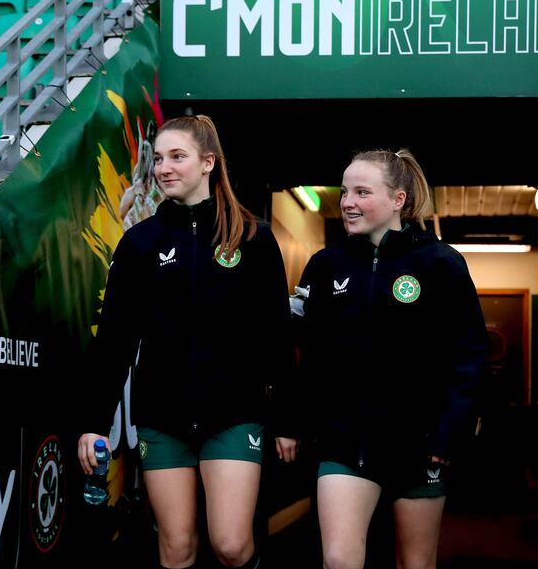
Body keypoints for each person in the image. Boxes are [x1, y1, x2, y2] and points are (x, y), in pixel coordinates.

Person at [78, 114, 299, 569]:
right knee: (176, 549)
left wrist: (288, 419)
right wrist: (93, 421)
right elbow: (115, 338)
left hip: (234, 415)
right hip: (163, 418)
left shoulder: (253, 238)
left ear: (208, 163)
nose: (163, 168)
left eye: (177, 157)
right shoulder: (140, 242)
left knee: (232, 545)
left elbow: (277, 335)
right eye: (158, 158)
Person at [292, 149, 489, 569]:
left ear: (398, 200)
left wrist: (447, 435)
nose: (347, 202)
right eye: (345, 191)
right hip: (346, 445)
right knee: (340, 560)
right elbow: (306, 357)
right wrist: (299, 422)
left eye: (362, 192)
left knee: (415, 563)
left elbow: (469, 357)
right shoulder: (326, 266)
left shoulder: (441, 264)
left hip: (419, 447)